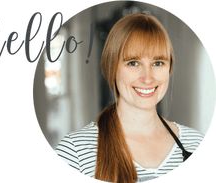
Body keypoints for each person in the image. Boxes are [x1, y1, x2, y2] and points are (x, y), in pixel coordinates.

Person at [55, 13, 204, 183]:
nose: (147, 78)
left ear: (169, 69)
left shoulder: (197, 144)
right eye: (133, 63)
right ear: (112, 68)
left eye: (158, 63)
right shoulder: (75, 152)